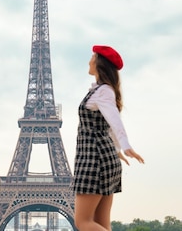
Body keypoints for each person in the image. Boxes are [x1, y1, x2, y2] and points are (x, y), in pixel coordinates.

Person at [72, 45, 145, 231]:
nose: (89, 61)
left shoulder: (103, 91)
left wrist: (125, 145)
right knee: (102, 222)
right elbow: (109, 124)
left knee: (83, 222)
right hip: (105, 158)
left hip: (93, 160)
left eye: (92, 57)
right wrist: (117, 150)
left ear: (99, 63)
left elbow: (114, 121)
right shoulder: (101, 90)